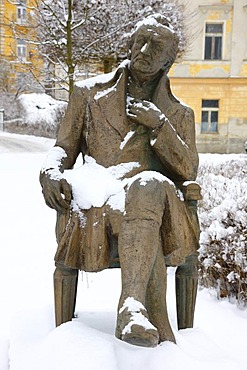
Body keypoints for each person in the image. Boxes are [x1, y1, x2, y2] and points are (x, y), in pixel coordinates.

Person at [40, 14, 200, 348]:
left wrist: (160, 126)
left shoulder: (179, 113)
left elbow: (188, 170)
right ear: (129, 43)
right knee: (144, 220)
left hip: (158, 200)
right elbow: (63, 148)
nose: (143, 50)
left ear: (168, 61)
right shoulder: (87, 94)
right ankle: (144, 316)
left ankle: (131, 306)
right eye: (140, 40)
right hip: (104, 198)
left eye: (155, 47)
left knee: (149, 186)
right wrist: (50, 171)